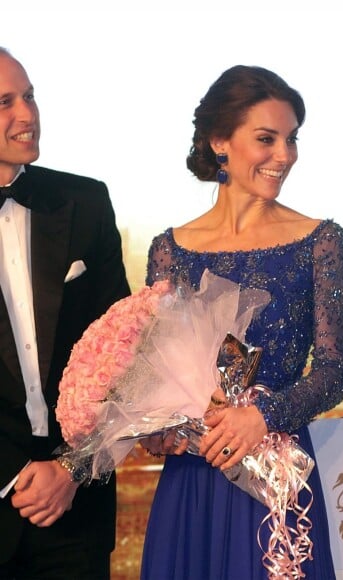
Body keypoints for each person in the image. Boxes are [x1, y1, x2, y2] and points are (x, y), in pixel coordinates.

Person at [139, 65, 343, 579]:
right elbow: (154, 377)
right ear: (220, 142)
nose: (285, 155)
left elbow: (332, 372)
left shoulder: (321, 242)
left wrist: (263, 415)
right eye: (267, 138)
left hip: (275, 484)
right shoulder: (169, 250)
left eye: (291, 139)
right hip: (192, 481)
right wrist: (157, 428)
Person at [0, 47, 131, 578]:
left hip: (76, 506)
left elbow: (130, 353)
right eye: (4, 102)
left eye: (29, 96)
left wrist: (72, 469)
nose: (27, 114)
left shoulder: (86, 203)